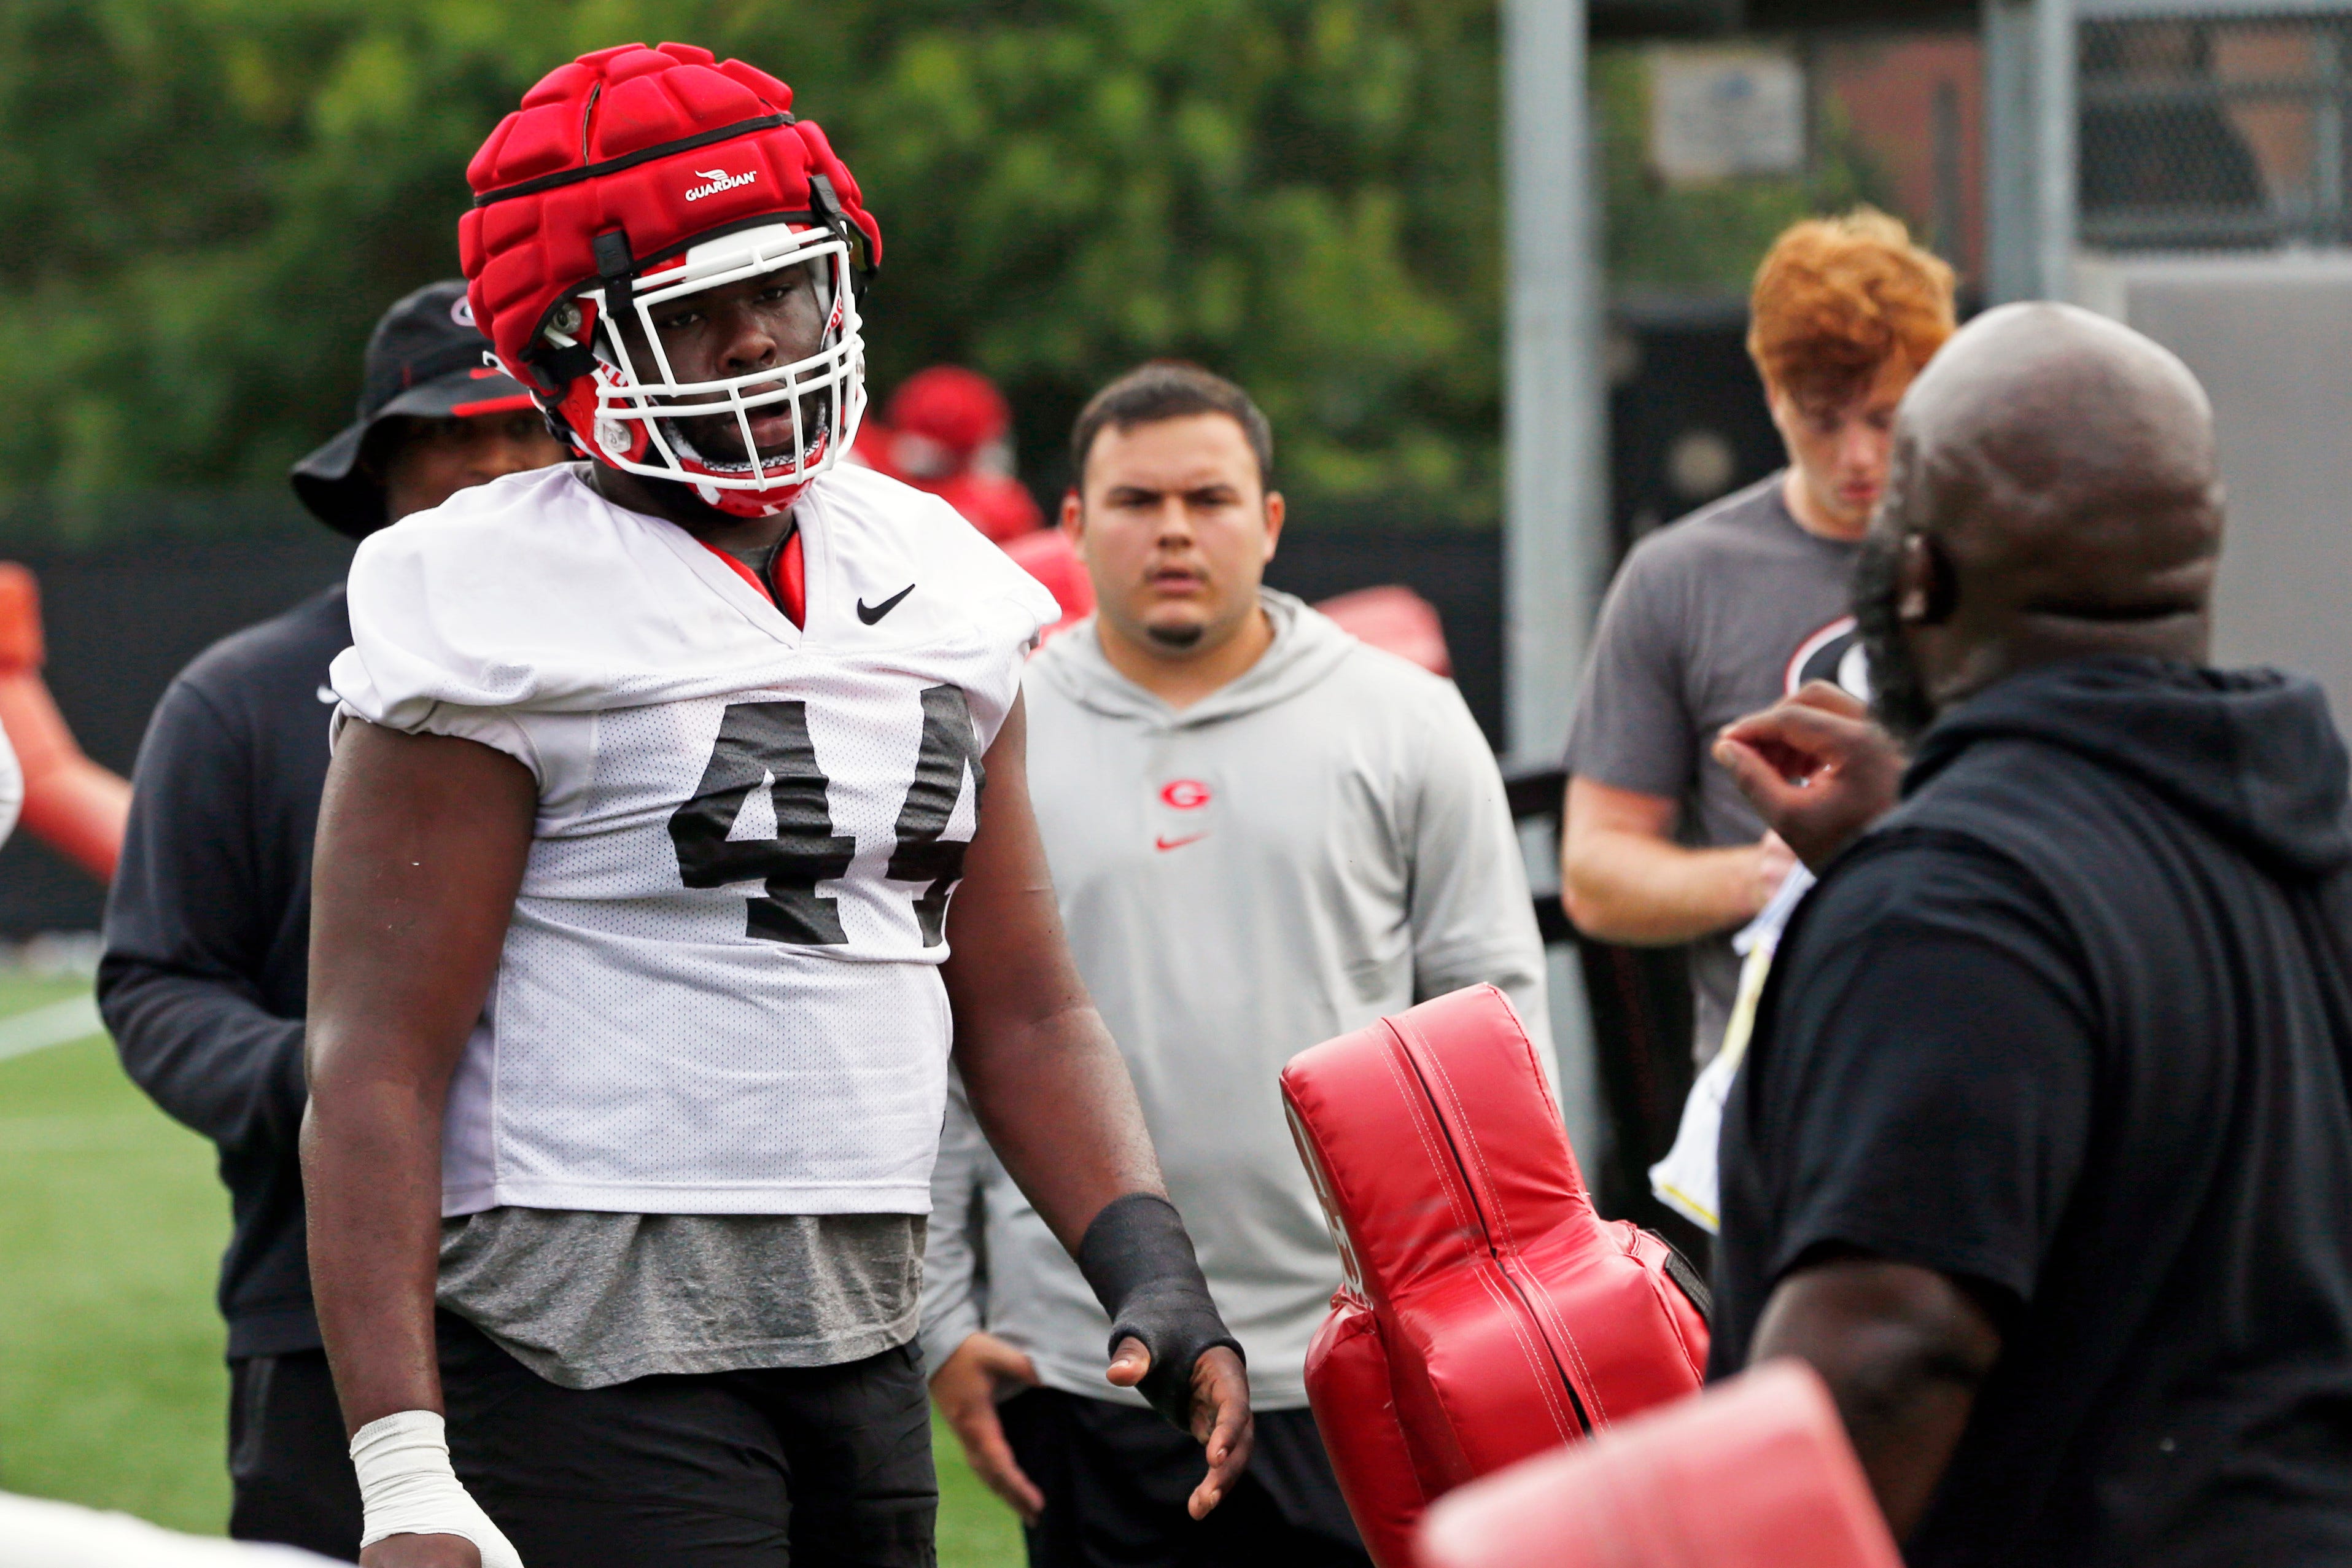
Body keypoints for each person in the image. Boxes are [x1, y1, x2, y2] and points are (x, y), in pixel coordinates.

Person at [300, 44, 1250, 1568]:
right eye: (699, 312)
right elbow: (376, 1063)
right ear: (565, 347)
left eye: (784, 292)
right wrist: (404, 1465)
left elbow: (1019, 1002)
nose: (758, 344)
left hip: (860, 1313)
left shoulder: (939, 571)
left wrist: (1145, 1255)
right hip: (579, 1338)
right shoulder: (479, 594)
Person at [1707, 303, 2352, 1562]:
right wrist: (1940, 828)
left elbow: (1883, 1360)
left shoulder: (1949, 911)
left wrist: (1938, 871)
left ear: (1917, 573)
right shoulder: (2299, 840)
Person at [922, 362, 1551, 1567]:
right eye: (1133, 499)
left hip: (1366, 1357)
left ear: (1267, 520)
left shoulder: (1402, 719)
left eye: (1207, 498)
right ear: (1066, 526)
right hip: (1093, 1363)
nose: (1171, 529)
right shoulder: (986, 734)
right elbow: (946, 1041)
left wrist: (1492, 1312)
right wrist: (938, 1315)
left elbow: (1497, 1031)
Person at [98, 279, 564, 1558]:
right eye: (444, 435)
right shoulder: (239, 698)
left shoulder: (668, 678)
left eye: (522, 429)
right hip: (323, 1313)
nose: (487, 468)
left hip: (633, 1318)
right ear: (378, 469)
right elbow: (154, 983)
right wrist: (343, 1079)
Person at [1560, 209, 1956, 1069]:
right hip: (1781, 1080)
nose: (1858, 455)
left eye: (1887, 418)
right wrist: (1764, 876)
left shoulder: (2002, 546)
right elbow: (1595, 872)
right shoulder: (1681, 578)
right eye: (1823, 419)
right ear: (1771, 394)